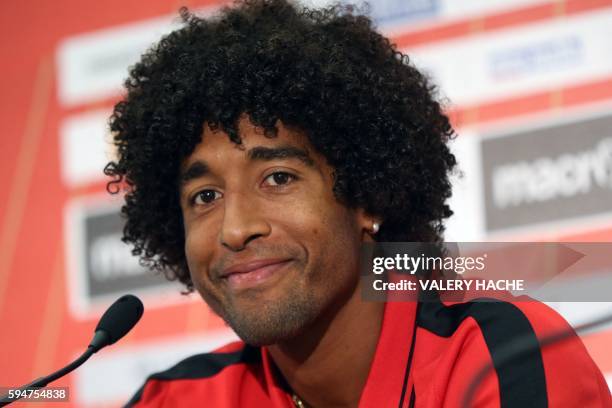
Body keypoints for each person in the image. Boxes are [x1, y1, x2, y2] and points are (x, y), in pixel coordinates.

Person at [105, 0, 612, 406]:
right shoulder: (172, 399)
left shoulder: (497, 358)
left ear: (367, 197)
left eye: (278, 177)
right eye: (205, 196)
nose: (235, 229)